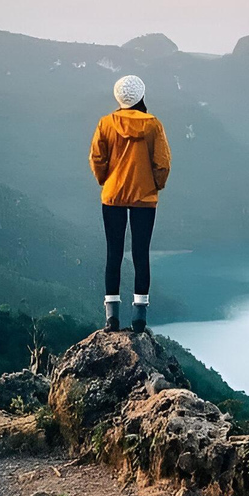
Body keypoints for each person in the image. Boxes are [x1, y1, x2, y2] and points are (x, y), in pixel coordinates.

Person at [89, 75, 171, 332]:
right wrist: (155, 184)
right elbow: (163, 163)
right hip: (144, 198)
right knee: (140, 254)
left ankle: (111, 317)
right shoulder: (153, 125)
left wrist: (107, 181)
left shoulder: (106, 124)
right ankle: (139, 317)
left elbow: (96, 159)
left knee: (113, 253)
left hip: (113, 196)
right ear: (141, 97)